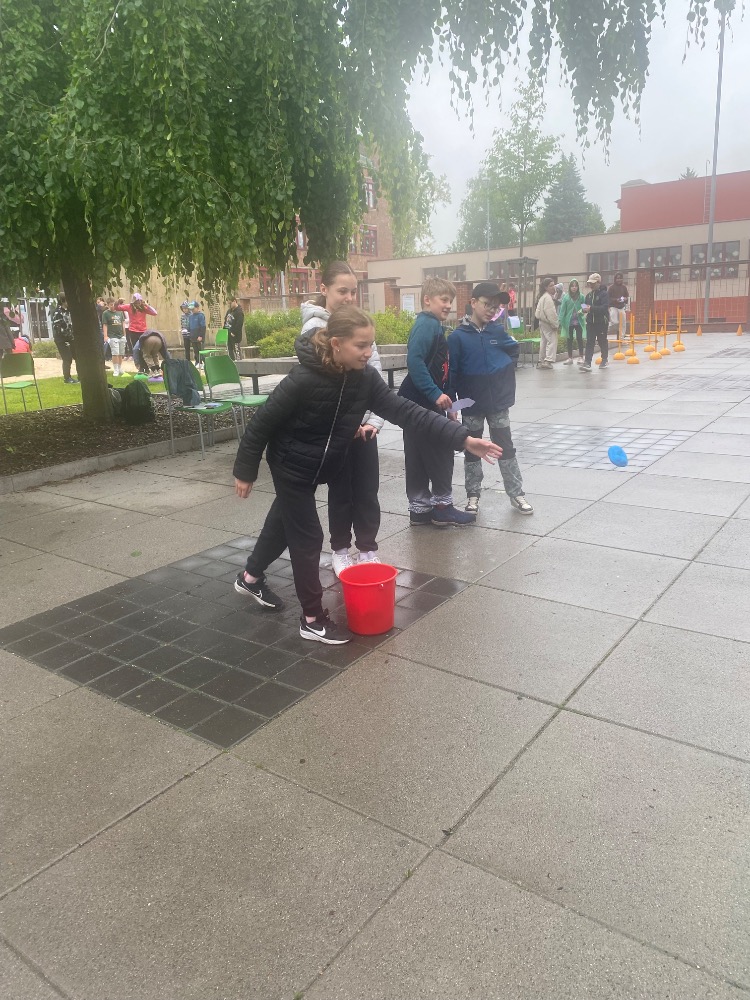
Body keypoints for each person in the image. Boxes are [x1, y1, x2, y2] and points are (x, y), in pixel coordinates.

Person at [232, 306, 502, 645]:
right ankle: (312, 619)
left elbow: (408, 412)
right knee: (308, 537)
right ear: (336, 344)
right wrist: (245, 471)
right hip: (291, 465)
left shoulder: (364, 379)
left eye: (370, 344)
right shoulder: (303, 379)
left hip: (324, 461)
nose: (367, 352)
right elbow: (261, 424)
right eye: (360, 345)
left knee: (284, 522)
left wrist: (463, 439)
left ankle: (250, 577)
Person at [297, 261, 385, 577]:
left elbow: (375, 378)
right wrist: (343, 423)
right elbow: (323, 384)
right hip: (337, 429)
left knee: (367, 491)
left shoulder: (359, 324)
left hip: (364, 428)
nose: (348, 297)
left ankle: (368, 549)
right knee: (341, 492)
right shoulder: (314, 329)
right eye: (341, 291)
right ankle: (341, 550)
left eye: (353, 291)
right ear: (324, 290)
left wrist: (373, 422)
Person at [448, 282, 533, 516]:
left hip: (498, 404)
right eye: (487, 304)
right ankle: (473, 495)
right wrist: (453, 404)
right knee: (472, 449)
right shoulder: (457, 337)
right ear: (473, 303)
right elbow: (452, 372)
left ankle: (516, 493)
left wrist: (503, 373)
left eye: (495, 307)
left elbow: (513, 351)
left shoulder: (497, 332)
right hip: (471, 404)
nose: (491, 310)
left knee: (506, 447)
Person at [398, 277, 475, 527]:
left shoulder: (431, 325)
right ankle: (442, 507)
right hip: (423, 402)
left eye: (450, 301)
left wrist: (449, 403)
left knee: (417, 457)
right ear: (427, 300)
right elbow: (415, 362)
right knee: (440, 451)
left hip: (415, 402)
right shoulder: (427, 325)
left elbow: (441, 369)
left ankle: (420, 509)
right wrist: (435, 394)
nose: (448, 305)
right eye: (443, 300)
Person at [580, 272, 610, 373]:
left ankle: (604, 359)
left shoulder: (604, 294)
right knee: (589, 342)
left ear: (598, 282)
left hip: (601, 322)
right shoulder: (588, 295)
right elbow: (585, 306)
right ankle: (587, 362)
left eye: (593, 283)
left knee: (602, 341)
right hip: (590, 322)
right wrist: (584, 309)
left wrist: (591, 308)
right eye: (590, 283)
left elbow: (604, 308)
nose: (591, 285)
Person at [118, 293, 157, 358]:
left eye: (139, 302)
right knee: (135, 348)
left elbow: (155, 313)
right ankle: (137, 360)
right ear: (133, 302)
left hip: (143, 331)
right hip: (133, 331)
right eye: (136, 302)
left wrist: (147, 305)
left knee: (143, 347)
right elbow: (117, 307)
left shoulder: (144, 308)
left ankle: (143, 360)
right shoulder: (129, 307)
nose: (138, 304)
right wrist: (118, 302)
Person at [558, 279, 587, 365]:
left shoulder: (581, 297)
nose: (574, 288)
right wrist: (560, 320)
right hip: (569, 322)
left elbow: (585, 308)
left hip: (579, 321)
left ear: (578, 287)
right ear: (569, 287)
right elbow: (562, 310)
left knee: (579, 338)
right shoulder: (566, 297)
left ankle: (581, 357)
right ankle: (570, 358)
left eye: (576, 286)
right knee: (569, 339)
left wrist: (580, 311)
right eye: (572, 286)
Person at [51, 294, 78, 383]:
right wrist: (66, 336)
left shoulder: (69, 311)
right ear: (62, 301)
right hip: (61, 339)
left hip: (71, 337)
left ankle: (81, 376)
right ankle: (67, 378)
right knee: (67, 358)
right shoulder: (57, 312)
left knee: (77, 356)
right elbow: (58, 328)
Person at [534, 277, 559, 370]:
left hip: (542, 321)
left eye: (554, 285)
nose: (553, 287)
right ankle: (548, 360)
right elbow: (551, 313)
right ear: (546, 287)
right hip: (547, 322)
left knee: (544, 341)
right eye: (551, 285)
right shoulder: (548, 298)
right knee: (552, 340)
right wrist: (555, 324)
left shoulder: (543, 296)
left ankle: (541, 360)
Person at [102, 298, 127, 376]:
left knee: (120, 353)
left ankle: (119, 368)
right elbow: (105, 325)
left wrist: (124, 334)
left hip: (121, 335)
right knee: (115, 353)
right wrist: (105, 336)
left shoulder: (120, 312)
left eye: (113, 304)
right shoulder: (106, 313)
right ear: (108, 305)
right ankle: (115, 370)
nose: (112, 306)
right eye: (111, 305)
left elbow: (123, 323)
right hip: (112, 336)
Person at [608, 271, 629, 340]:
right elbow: (608, 298)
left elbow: (627, 296)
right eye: (617, 278)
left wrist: (625, 299)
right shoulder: (611, 288)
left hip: (621, 307)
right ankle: (609, 326)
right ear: (615, 279)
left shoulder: (624, 287)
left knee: (623, 322)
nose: (619, 280)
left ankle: (622, 337)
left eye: (620, 278)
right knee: (614, 321)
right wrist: (616, 300)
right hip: (613, 307)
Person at [224, 296, 245, 361]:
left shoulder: (239, 312)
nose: (229, 305)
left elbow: (239, 324)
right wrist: (224, 329)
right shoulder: (229, 311)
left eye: (230, 303)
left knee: (236, 350)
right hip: (228, 333)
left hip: (235, 335)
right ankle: (232, 362)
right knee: (230, 350)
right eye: (228, 304)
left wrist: (234, 332)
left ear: (234, 301)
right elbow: (226, 321)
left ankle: (239, 364)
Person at [186, 301, 206, 367]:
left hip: (199, 337)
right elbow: (189, 326)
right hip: (193, 337)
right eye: (191, 309)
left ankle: (204, 363)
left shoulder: (201, 315)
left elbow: (203, 327)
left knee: (201, 350)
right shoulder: (190, 316)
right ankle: (198, 362)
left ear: (197, 308)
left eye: (193, 309)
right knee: (195, 351)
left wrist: (200, 336)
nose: (192, 310)